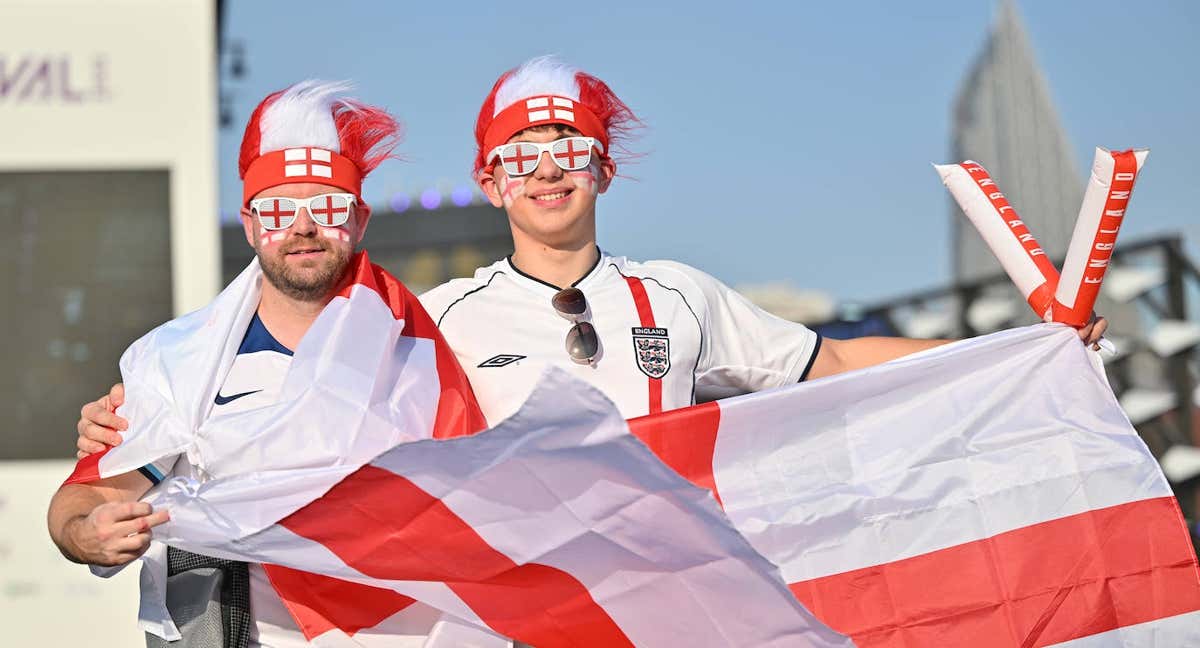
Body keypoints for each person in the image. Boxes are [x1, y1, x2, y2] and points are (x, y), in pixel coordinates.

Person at [75, 55, 1108, 440]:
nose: (548, 167)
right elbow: (305, 397)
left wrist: (1020, 352)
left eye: (569, 144)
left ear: (604, 168)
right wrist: (141, 416)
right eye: (521, 153)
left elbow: (832, 362)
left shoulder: (681, 296)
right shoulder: (434, 319)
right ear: (487, 181)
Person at [48, 81, 469, 647]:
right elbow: (90, 494)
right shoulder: (180, 359)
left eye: (326, 207)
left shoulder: (420, 355)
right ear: (249, 225)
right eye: (277, 210)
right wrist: (84, 535)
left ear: (359, 219)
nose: (302, 227)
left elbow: (473, 509)